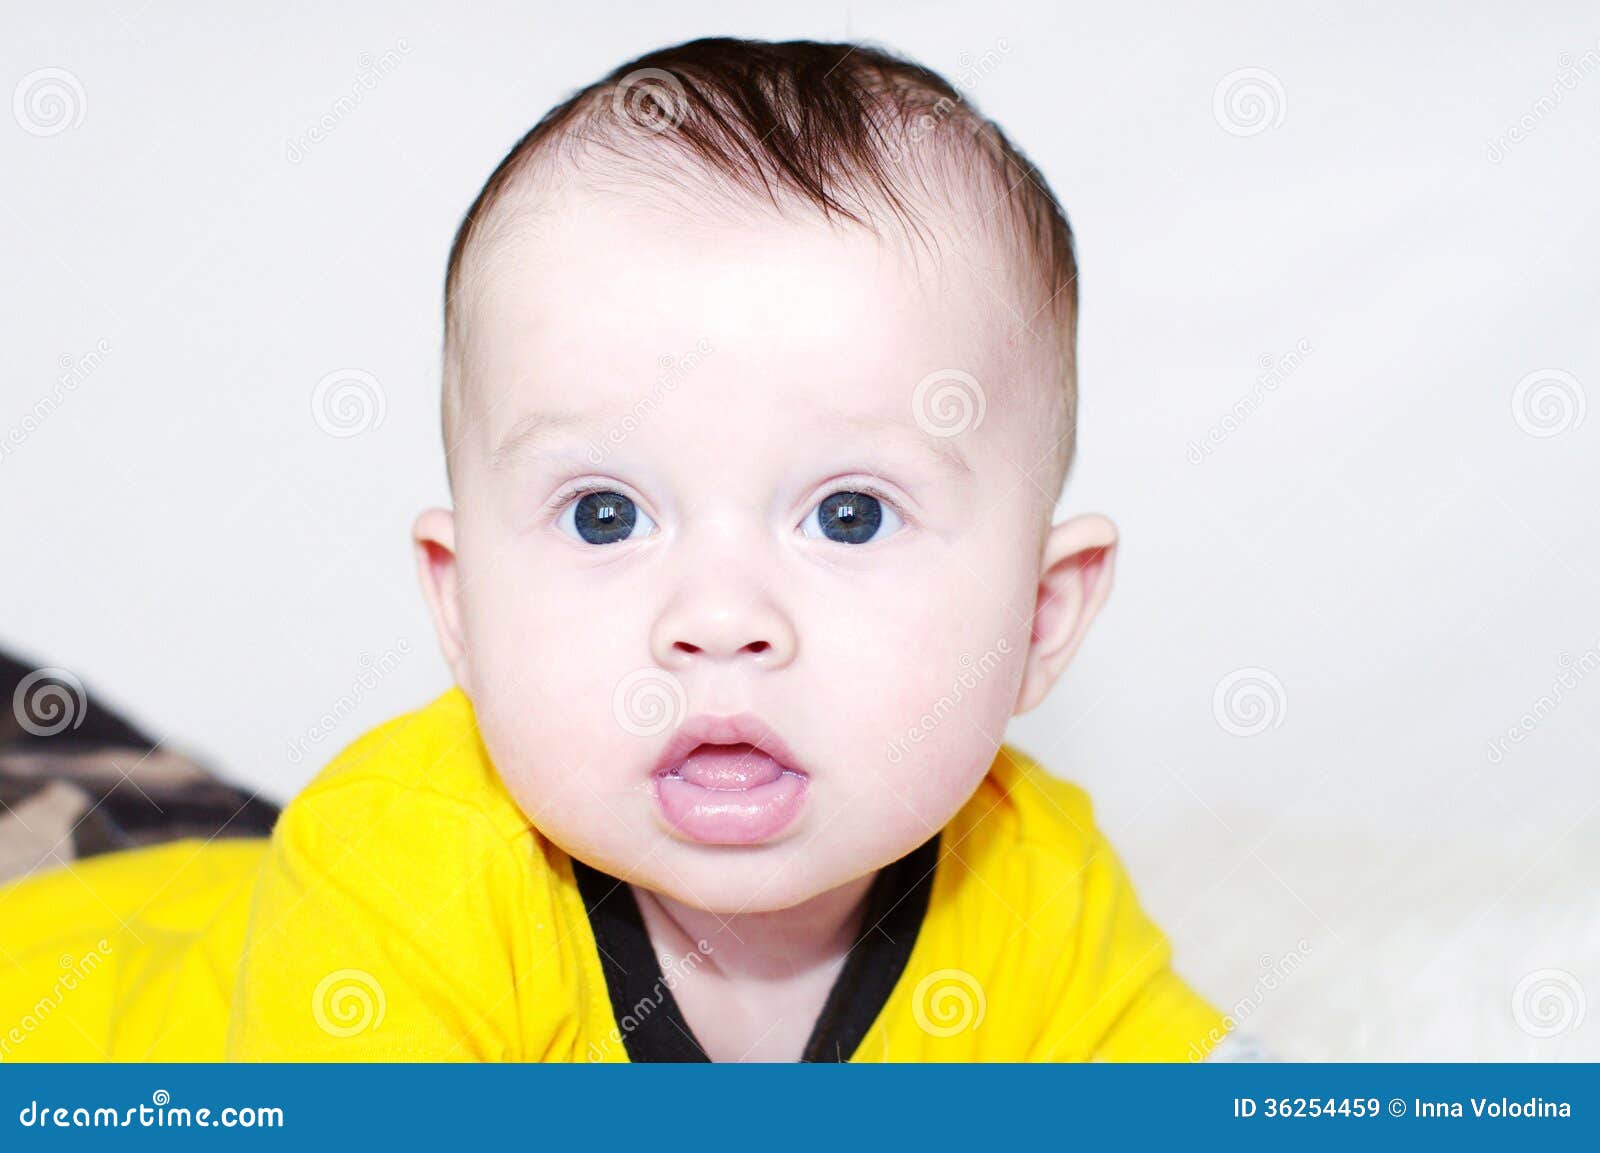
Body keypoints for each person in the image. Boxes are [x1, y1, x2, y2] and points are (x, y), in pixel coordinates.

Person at [0, 36, 1225, 1062]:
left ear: (1040, 617)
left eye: (849, 514)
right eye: (605, 515)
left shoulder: (1034, 876)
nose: (721, 616)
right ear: (462, 605)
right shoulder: (398, 880)